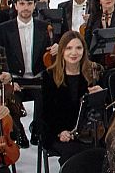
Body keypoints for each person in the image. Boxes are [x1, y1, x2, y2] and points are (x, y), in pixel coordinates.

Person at [37, 30, 105, 164]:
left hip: (89, 131)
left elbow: (104, 109)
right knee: (76, 154)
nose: (74, 53)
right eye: (69, 48)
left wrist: (100, 95)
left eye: (78, 48)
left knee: (105, 150)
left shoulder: (93, 72)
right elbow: (46, 113)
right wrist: (59, 132)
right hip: (59, 131)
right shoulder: (49, 76)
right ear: (61, 50)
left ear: (84, 50)